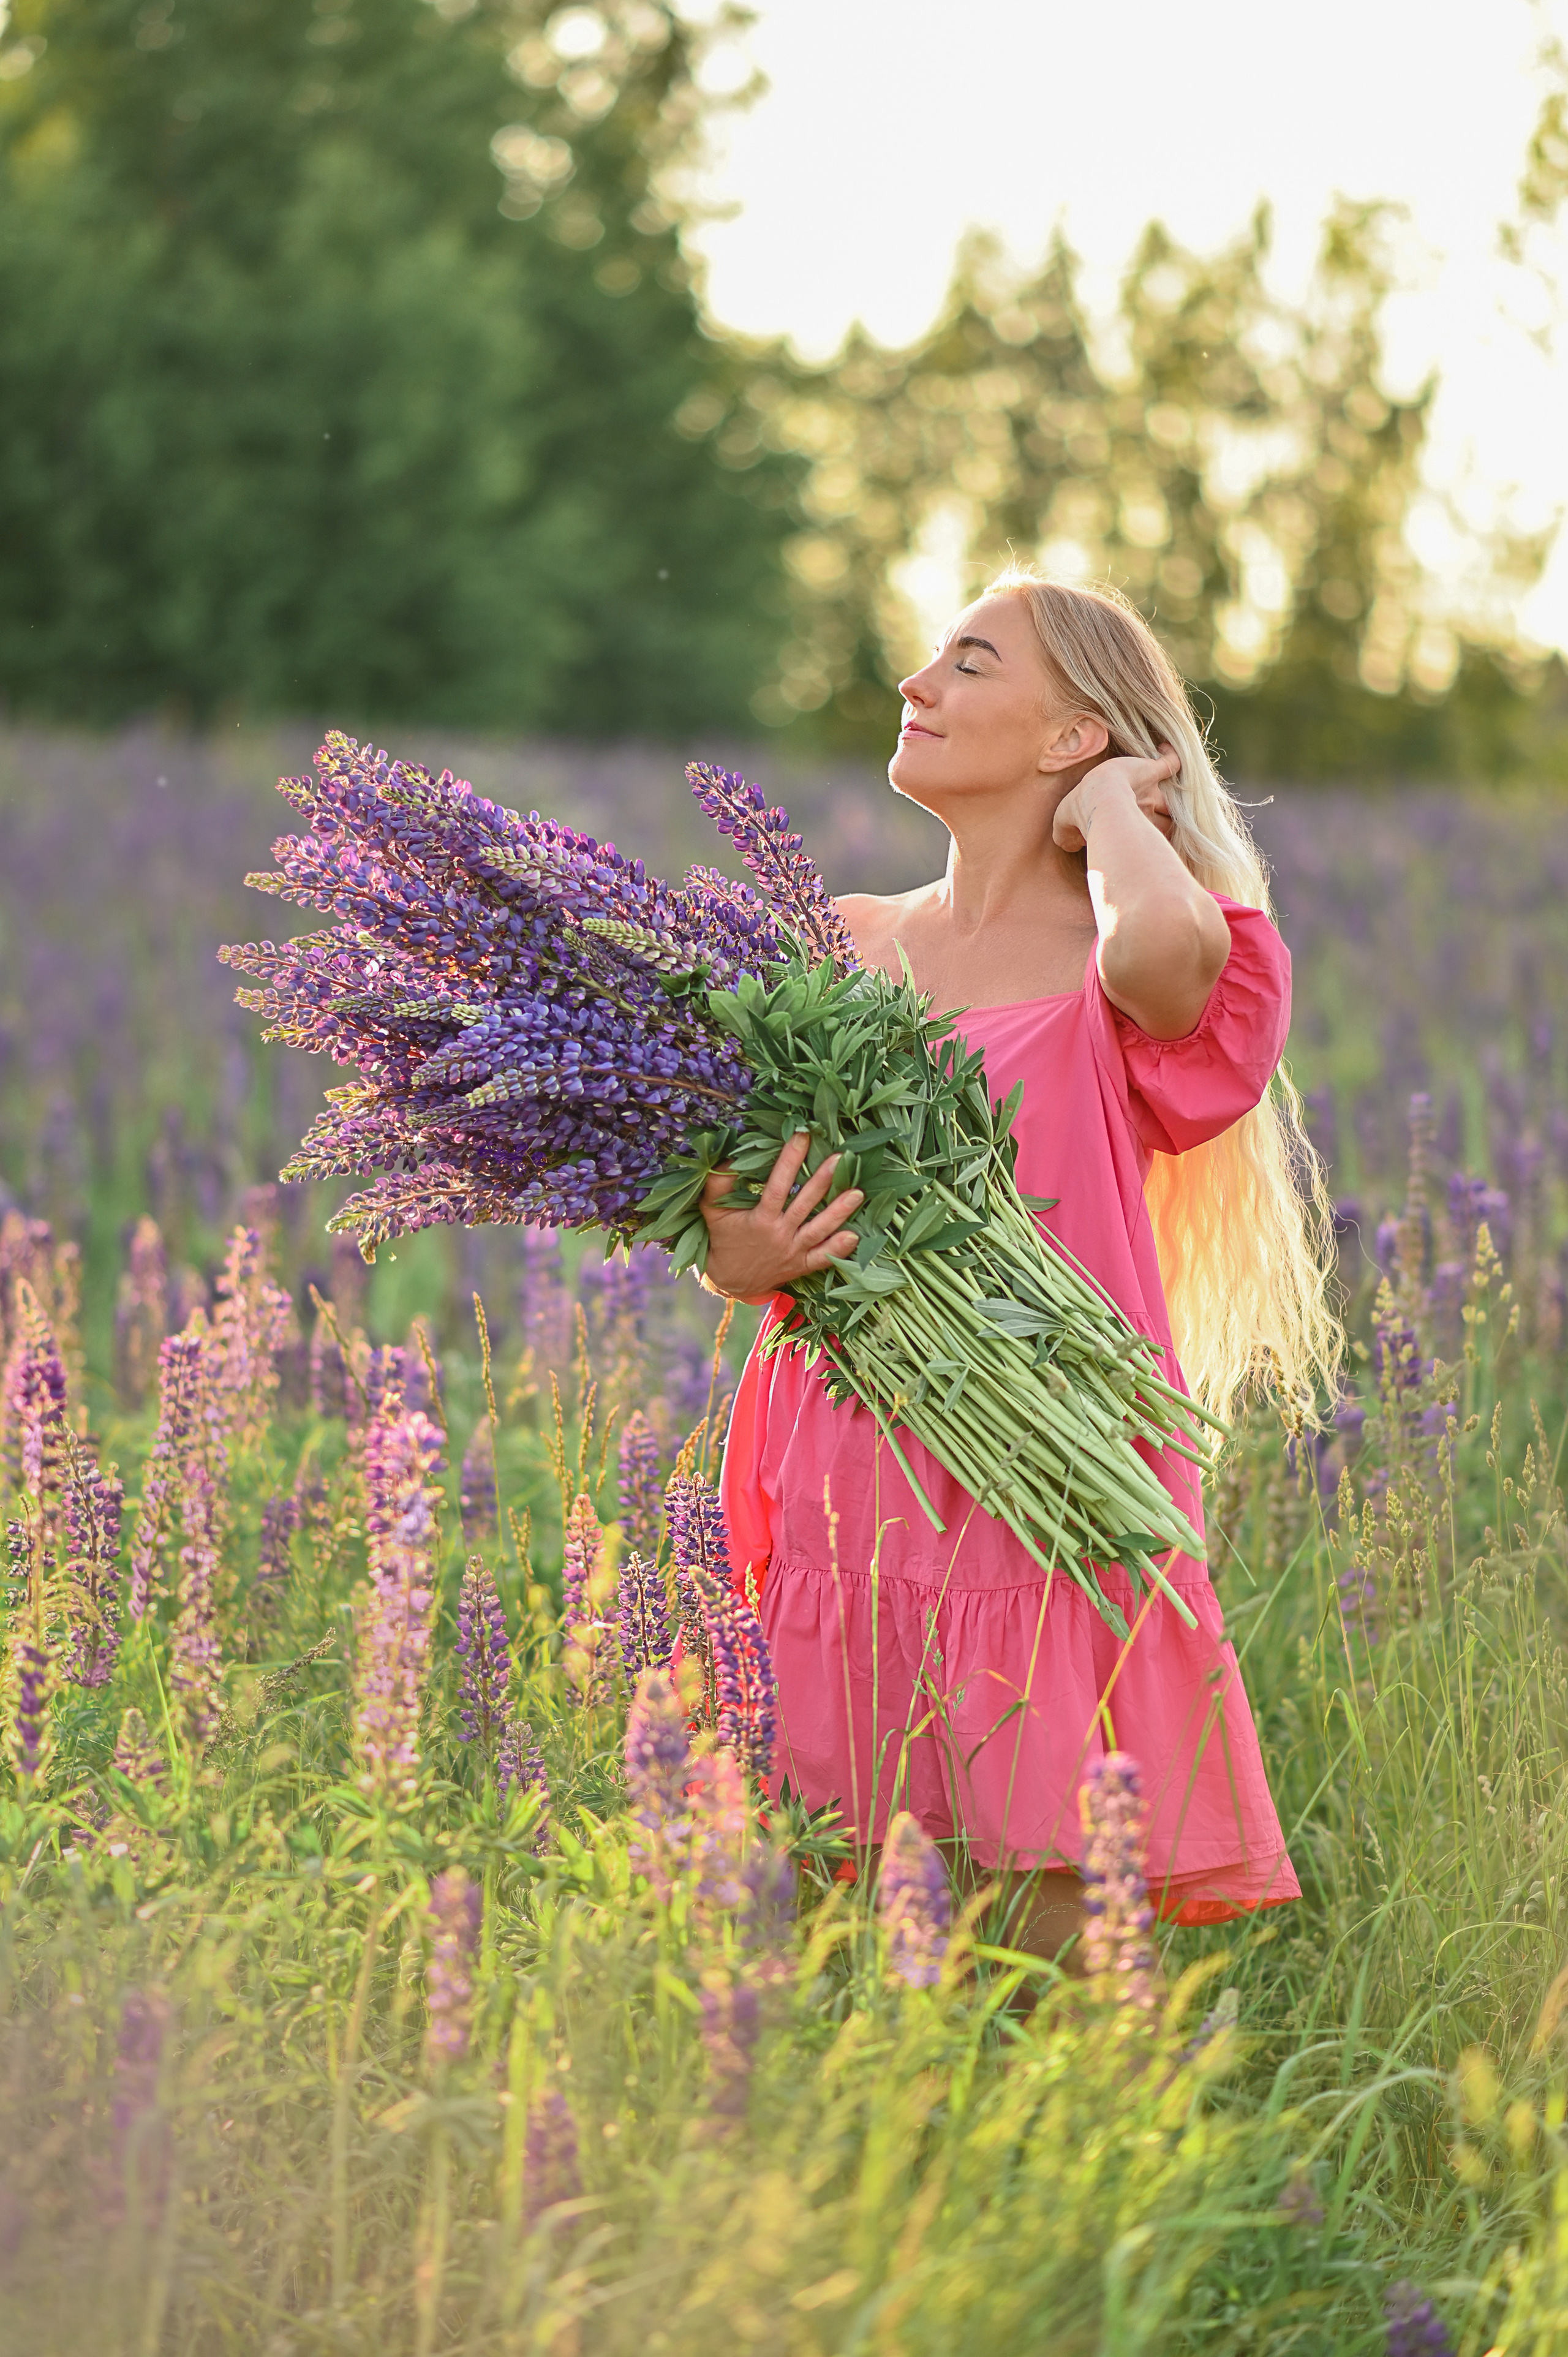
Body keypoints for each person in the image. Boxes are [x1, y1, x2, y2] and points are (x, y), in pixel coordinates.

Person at [699, 567, 1339, 1957]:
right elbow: (732, 1213)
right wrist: (734, 1250)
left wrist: (1117, 810)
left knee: (1049, 1925)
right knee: (821, 1912)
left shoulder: (1133, 959)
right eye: (931, 658)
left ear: (1069, 736)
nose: (916, 684)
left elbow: (1166, 953)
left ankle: (1078, 2170)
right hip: (840, 1464)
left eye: (969, 662)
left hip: (1031, 1476)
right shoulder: (841, 947)